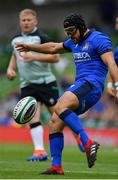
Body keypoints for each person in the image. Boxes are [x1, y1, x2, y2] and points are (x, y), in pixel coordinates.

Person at [16, 13, 118, 175]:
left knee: (60, 105)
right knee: (55, 121)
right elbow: (53, 47)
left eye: (72, 31)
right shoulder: (74, 42)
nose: (70, 36)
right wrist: (30, 47)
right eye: (67, 32)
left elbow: (111, 63)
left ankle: (87, 142)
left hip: (91, 85)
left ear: (81, 28)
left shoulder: (99, 39)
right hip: (81, 89)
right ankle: (56, 166)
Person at [7, 9, 60, 162]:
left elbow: (55, 57)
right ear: (20, 22)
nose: (26, 23)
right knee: (32, 117)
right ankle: (39, 151)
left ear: (35, 22)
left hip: (46, 83)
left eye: (29, 20)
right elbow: (14, 55)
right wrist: (11, 69)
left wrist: (34, 56)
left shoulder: (42, 38)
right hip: (27, 85)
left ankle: (79, 138)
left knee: (58, 116)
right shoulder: (15, 39)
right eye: (23, 20)